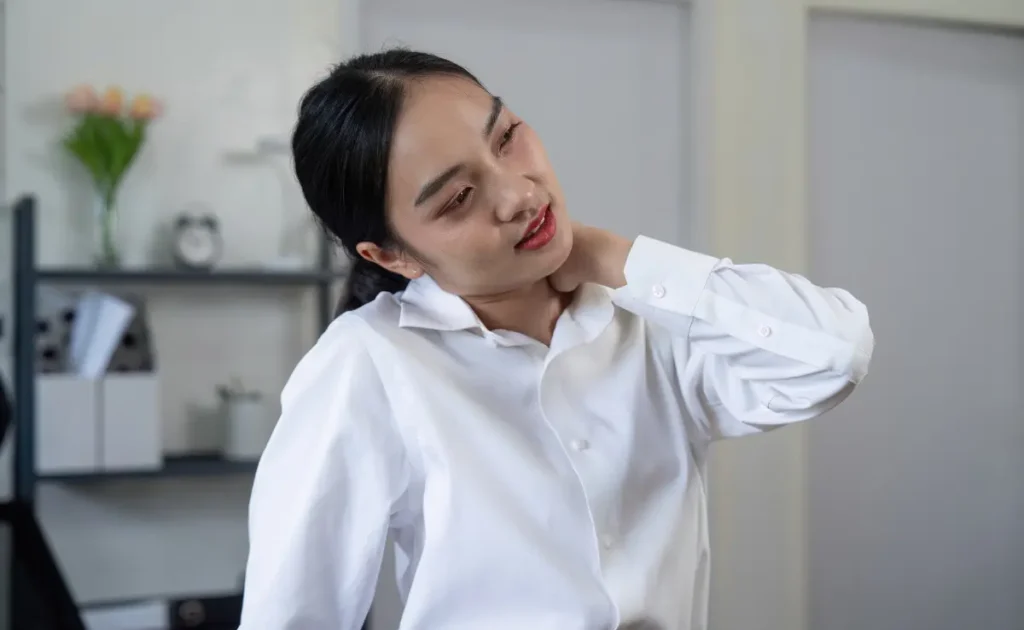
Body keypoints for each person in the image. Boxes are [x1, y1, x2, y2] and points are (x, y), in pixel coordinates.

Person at [238, 48, 873, 630]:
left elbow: (831, 356)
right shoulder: (368, 363)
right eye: (459, 197)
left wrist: (613, 258)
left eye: (507, 136)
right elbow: (292, 617)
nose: (518, 194)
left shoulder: (649, 320)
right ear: (394, 255)